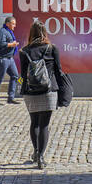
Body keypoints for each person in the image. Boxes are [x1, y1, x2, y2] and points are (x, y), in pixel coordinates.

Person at [18, 20, 63, 169]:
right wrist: (62, 90)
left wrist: (21, 87)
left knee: (34, 122)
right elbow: (58, 71)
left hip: (30, 91)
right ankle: (41, 158)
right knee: (44, 124)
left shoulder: (24, 51)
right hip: (48, 90)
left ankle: (36, 152)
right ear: (45, 33)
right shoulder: (52, 48)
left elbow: (22, 74)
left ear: (31, 34)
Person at [0, 15, 21, 104]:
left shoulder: (9, 32)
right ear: (8, 24)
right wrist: (12, 44)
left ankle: (10, 97)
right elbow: (1, 44)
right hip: (2, 59)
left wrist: (13, 45)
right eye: (13, 24)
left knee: (15, 76)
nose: (15, 26)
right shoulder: (2, 32)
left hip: (9, 59)